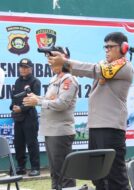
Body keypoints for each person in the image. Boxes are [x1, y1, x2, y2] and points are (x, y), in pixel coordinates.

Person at [47, 32, 133, 190]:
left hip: (111, 127)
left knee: (115, 177)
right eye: (105, 46)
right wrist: (64, 63)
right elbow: (95, 70)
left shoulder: (124, 66)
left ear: (123, 48)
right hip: (97, 126)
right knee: (98, 176)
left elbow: (95, 70)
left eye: (110, 46)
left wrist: (65, 62)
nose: (106, 49)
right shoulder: (106, 66)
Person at [23, 47, 79, 189]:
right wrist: (37, 98)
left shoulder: (69, 79)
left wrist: (39, 101)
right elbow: (51, 100)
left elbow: (61, 104)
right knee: (55, 173)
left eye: (53, 60)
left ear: (63, 58)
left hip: (60, 132)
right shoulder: (55, 78)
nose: (50, 63)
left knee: (64, 174)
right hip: (50, 130)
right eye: (49, 60)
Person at [10, 58, 41, 176]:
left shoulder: (35, 82)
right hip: (18, 117)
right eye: (21, 67)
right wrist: (13, 106)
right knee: (18, 143)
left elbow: (35, 100)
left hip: (29, 117)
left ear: (30, 69)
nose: (23, 69)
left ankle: (35, 168)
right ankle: (21, 167)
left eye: (26, 67)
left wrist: (21, 108)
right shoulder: (17, 81)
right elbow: (14, 98)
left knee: (32, 143)